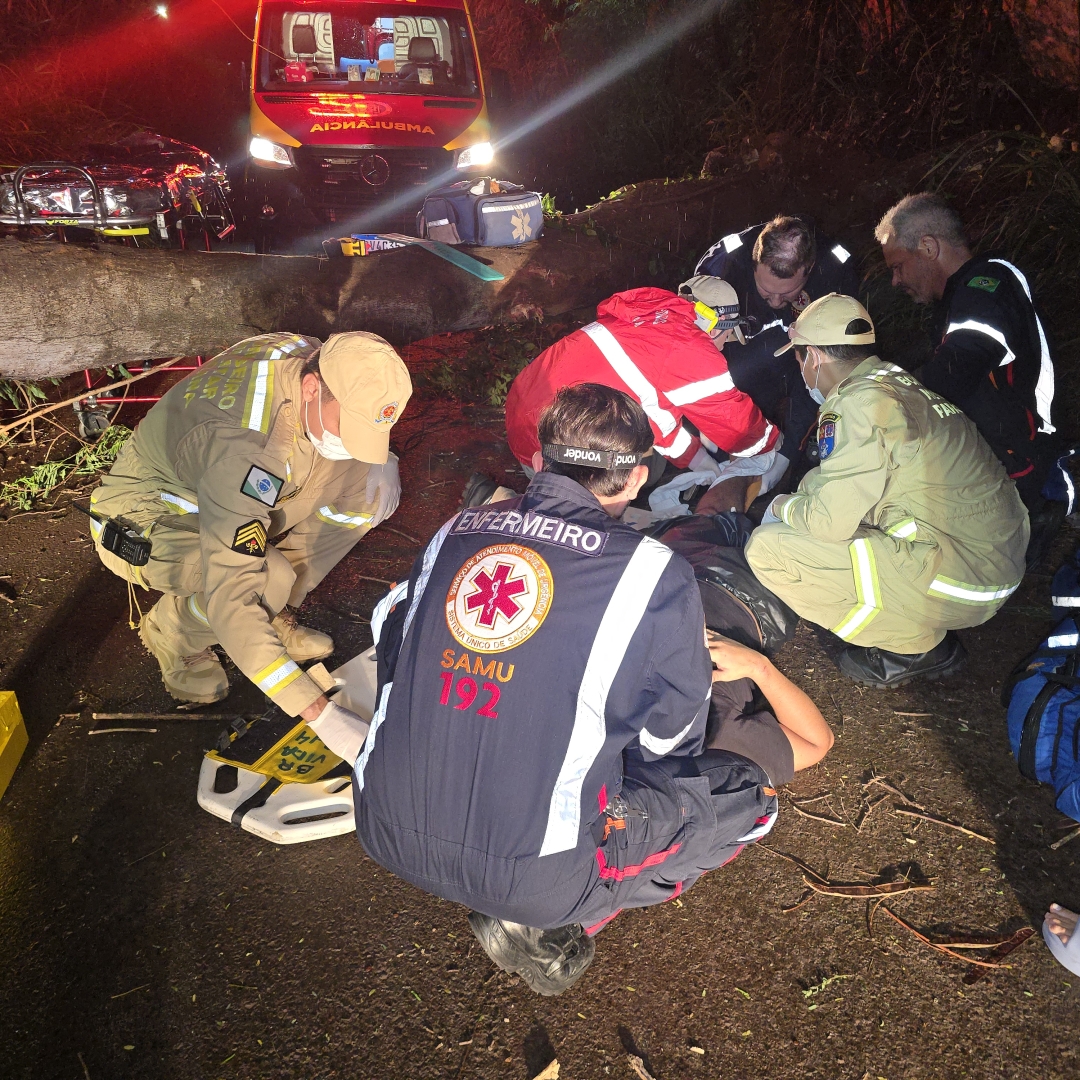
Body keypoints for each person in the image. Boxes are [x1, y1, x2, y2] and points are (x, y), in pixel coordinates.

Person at [354, 383, 833, 995]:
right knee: (746, 800)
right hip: (533, 872)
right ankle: (562, 916)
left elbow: (393, 638)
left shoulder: (455, 532)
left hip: (385, 825)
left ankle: (533, 883)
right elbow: (669, 745)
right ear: (636, 479)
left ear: (537, 460)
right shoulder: (650, 571)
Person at [88, 331, 411, 740]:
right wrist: (319, 713)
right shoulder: (244, 447)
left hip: (225, 487)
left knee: (371, 487)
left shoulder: (312, 361)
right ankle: (175, 630)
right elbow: (233, 591)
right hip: (149, 516)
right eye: (348, 426)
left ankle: (272, 614)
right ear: (312, 388)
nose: (352, 442)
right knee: (263, 578)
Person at [745, 294, 1029, 688]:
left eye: (799, 359)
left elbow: (827, 522)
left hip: (966, 578)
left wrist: (778, 506)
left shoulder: (856, 405)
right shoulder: (895, 384)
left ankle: (910, 645)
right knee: (813, 493)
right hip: (991, 559)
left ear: (815, 357)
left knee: (768, 549)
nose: (802, 371)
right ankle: (912, 616)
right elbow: (838, 484)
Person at [874, 193, 1059, 519]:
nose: (895, 280)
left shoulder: (986, 287)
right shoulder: (963, 295)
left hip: (1023, 468)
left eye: (897, 267)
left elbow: (953, 372)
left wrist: (880, 395)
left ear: (928, 247)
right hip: (1002, 460)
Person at [503, 279, 781, 491]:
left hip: (523, 415)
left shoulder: (644, 316)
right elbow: (738, 427)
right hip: (554, 446)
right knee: (619, 489)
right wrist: (771, 442)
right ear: (718, 324)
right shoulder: (688, 347)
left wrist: (699, 462)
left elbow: (658, 417)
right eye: (727, 337)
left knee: (650, 461)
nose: (722, 348)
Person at [695, 215, 860, 465]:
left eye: (787, 293)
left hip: (801, 358)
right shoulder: (723, 266)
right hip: (738, 358)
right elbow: (696, 346)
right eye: (766, 291)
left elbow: (831, 366)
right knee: (721, 446)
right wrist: (709, 414)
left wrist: (786, 455)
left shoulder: (835, 272)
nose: (774, 302)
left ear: (809, 269)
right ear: (754, 264)